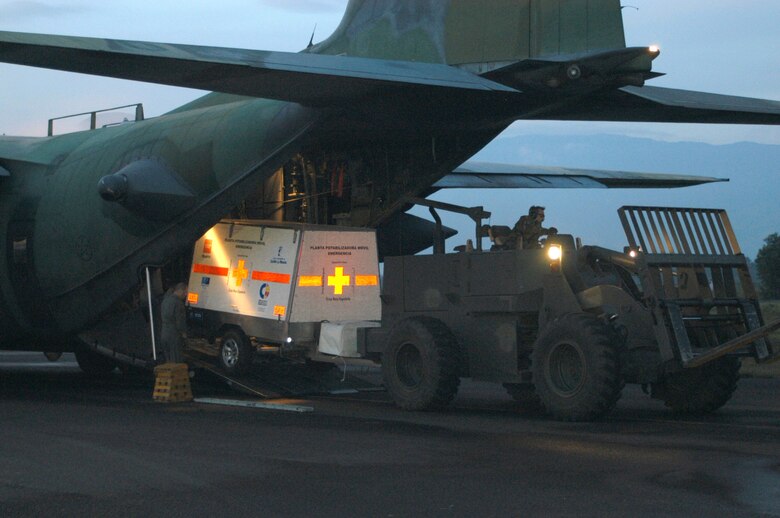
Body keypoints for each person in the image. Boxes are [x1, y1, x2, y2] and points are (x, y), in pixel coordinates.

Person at [160, 282, 188, 364]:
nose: (186, 295)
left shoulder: (165, 301)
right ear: (181, 291)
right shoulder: (178, 304)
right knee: (176, 363)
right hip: (174, 336)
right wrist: (184, 334)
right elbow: (180, 322)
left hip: (164, 333)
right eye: (185, 292)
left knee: (168, 361)